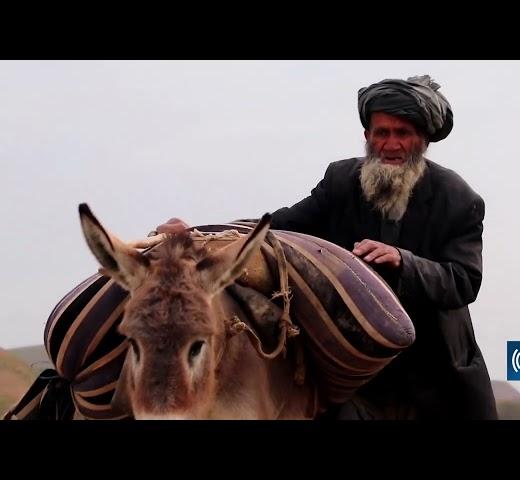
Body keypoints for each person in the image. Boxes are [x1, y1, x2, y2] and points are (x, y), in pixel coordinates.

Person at [157, 74, 498, 420]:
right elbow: (279, 226)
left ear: (422, 140)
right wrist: (199, 235)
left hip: (433, 375)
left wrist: (403, 262)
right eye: (382, 133)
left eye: (402, 134)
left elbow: (464, 280)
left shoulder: (458, 199)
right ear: (367, 137)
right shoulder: (341, 182)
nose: (391, 144)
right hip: (355, 370)